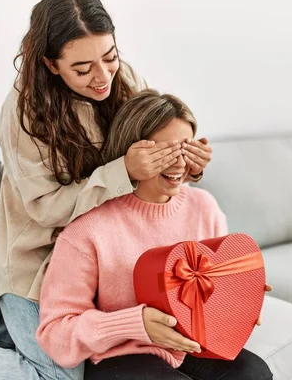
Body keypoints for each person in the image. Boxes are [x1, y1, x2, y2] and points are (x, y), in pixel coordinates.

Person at [0, 0, 212, 379]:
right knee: (64, 374)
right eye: (83, 69)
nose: (102, 77)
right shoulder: (23, 114)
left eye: (110, 57)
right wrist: (123, 173)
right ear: (51, 65)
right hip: (38, 263)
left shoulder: (124, 79)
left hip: (106, 253)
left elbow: (159, 154)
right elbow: (45, 208)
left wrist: (186, 163)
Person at [36, 89, 273, 380]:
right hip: (120, 355)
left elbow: (212, 288)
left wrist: (239, 299)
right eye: (163, 150)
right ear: (131, 150)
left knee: (254, 373)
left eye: (185, 148)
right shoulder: (88, 229)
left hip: (192, 343)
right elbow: (55, 332)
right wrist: (134, 324)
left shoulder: (204, 206)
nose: (177, 163)